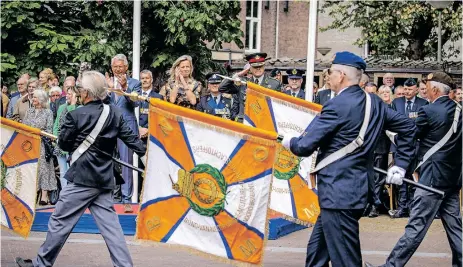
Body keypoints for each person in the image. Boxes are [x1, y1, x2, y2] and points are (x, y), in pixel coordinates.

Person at [281, 51, 416, 267]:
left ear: (341, 75)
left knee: (346, 261)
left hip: (338, 194)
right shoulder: (374, 102)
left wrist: (289, 141)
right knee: (316, 255)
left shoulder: (336, 105)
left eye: (330, 72)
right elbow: (409, 127)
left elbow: (305, 146)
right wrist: (400, 164)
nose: (327, 76)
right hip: (353, 191)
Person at [15, 71, 146, 267]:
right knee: (112, 230)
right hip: (104, 180)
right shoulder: (115, 114)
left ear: (85, 93)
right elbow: (135, 143)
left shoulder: (75, 115)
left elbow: (65, 146)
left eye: (79, 89)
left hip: (81, 180)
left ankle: (41, 264)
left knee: (59, 221)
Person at [366, 72, 462, 267]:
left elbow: (411, 134)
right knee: (455, 230)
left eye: (426, 86)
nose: (424, 89)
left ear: (435, 89)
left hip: (431, 180)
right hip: (452, 179)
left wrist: (394, 136)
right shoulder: (460, 109)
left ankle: (391, 266)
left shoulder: (429, 111)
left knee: (415, 227)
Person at [105, 54, 142, 211]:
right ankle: (112, 196)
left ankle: (126, 199)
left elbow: (135, 103)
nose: (118, 70)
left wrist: (125, 88)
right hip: (108, 128)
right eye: (115, 67)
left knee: (126, 163)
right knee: (108, 162)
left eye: (120, 66)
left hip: (126, 128)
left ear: (126, 67)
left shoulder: (135, 83)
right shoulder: (106, 83)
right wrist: (106, 92)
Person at [389, 77, 428, 218]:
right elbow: (389, 124)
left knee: (414, 177)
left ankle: (413, 207)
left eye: (410, 89)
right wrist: (395, 138)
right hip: (400, 146)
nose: (407, 91)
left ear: (416, 90)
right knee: (401, 177)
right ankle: (402, 207)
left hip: (417, 146)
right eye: (405, 88)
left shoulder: (423, 103)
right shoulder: (396, 103)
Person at [219, 52, 281, 122]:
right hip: (246, 123)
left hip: (265, 123)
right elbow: (222, 88)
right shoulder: (242, 83)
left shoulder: (274, 84)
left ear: (264, 67)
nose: (258, 69)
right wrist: (238, 74)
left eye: (260, 66)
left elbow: (279, 108)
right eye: (255, 67)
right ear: (250, 68)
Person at [22, 90, 56, 205]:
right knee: (32, 168)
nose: (33, 99)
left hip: (42, 143)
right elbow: (24, 127)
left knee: (44, 168)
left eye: (35, 97)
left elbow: (49, 129)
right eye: (33, 97)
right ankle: (33, 193)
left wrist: (39, 133)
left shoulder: (48, 112)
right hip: (30, 144)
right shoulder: (29, 111)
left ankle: (44, 195)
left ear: (41, 99)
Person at [53, 86, 79, 189]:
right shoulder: (61, 107)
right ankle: (64, 193)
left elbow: (73, 119)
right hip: (60, 143)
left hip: (72, 145)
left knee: (71, 171)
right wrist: (55, 138)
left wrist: (73, 104)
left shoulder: (79, 107)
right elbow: (56, 124)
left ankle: (71, 193)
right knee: (63, 171)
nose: (67, 96)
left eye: (70, 94)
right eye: (67, 94)